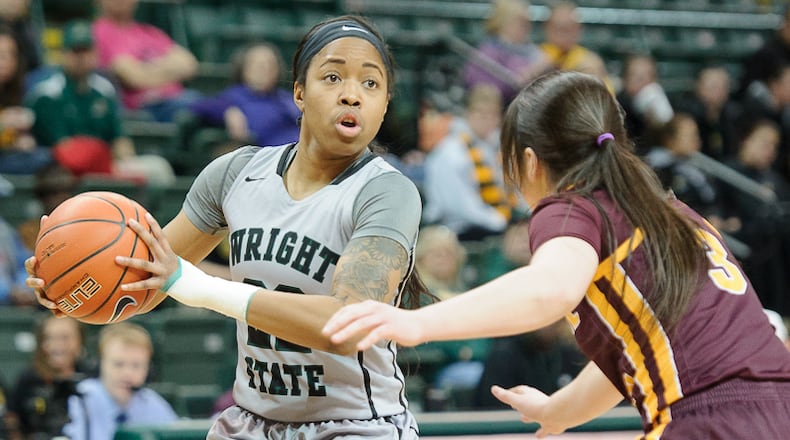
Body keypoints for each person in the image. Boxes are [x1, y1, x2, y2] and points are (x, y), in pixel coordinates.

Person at [322, 71, 790, 438]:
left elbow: (550, 289)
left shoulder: (571, 207)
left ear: (529, 161)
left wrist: (417, 323)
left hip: (711, 419)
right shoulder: (668, 210)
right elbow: (628, 357)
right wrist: (558, 410)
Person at [30, 14, 432, 439]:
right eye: (332, 77)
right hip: (252, 422)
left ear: (385, 103)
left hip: (354, 425)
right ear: (298, 91)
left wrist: (200, 288)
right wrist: (75, 287)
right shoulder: (236, 173)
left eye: (371, 84)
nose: (352, 95)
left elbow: (348, 324)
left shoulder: (388, 191)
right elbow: (145, 278)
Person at [26, 19, 175, 185]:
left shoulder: (104, 89)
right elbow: (64, 150)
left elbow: (119, 138)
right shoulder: (48, 93)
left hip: (105, 165)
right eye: (75, 51)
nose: (81, 57)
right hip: (63, 171)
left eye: (86, 50)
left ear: (95, 53)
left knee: (159, 167)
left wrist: (126, 161)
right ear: (63, 54)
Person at [422, 84, 516, 241]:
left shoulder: (498, 147)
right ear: (467, 114)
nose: (486, 120)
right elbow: (459, 204)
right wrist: (498, 220)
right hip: (453, 230)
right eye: (480, 113)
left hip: (494, 225)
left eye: (492, 114)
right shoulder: (450, 151)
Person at [62, 322, 177, 440]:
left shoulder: (154, 405)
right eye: (119, 364)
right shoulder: (80, 399)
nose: (127, 373)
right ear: (100, 364)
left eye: (136, 365)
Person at [92, 0, 199, 122]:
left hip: (176, 101)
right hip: (142, 111)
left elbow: (189, 65)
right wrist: (169, 69)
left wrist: (144, 70)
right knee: (196, 107)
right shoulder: (98, 32)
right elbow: (132, 76)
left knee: (208, 106)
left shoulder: (150, 32)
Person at [188, 42, 301, 147]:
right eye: (259, 65)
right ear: (244, 69)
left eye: (271, 65)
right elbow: (198, 106)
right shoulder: (234, 96)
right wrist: (227, 111)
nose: (266, 70)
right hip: (271, 157)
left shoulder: (286, 97)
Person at [8, 315, 88, 439]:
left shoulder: (91, 379)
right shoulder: (28, 379)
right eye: (49, 338)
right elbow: (14, 422)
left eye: (65, 337)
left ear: (80, 340)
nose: (58, 345)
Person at [463, 0, 551, 104]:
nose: (527, 27)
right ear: (503, 22)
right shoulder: (487, 52)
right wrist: (528, 73)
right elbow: (481, 89)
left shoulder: (532, 51)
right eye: (520, 22)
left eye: (527, 22)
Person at [0, 24, 51, 175]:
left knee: (45, 158)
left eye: (11, 55)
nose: (6, 61)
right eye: (1, 55)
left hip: (9, 158)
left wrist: (21, 141)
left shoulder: (18, 92)